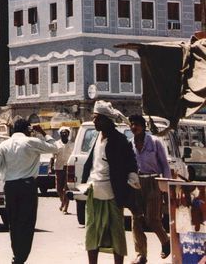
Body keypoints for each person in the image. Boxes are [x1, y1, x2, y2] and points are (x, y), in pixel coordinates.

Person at [0, 118, 58, 264]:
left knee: (13, 223)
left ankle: (17, 256)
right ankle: (20, 258)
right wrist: (43, 132)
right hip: (28, 187)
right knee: (27, 223)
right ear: (27, 129)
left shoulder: (4, 145)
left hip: (11, 187)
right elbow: (55, 148)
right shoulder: (31, 142)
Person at [82, 100, 140, 264]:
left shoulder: (120, 140)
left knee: (116, 232)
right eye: (94, 118)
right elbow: (91, 163)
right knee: (92, 231)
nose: (94, 121)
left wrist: (132, 178)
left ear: (107, 120)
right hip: (95, 190)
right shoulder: (96, 137)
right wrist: (84, 183)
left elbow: (131, 162)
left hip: (114, 193)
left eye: (97, 118)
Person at [128, 114, 172, 264]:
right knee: (137, 219)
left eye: (137, 124)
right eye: (132, 124)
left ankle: (166, 242)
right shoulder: (130, 144)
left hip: (154, 182)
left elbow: (165, 165)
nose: (134, 127)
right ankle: (141, 254)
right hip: (137, 183)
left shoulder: (155, 142)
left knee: (153, 219)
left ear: (143, 126)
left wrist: (166, 187)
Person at [52, 126, 75, 214]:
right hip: (59, 167)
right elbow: (52, 156)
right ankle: (63, 202)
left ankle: (65, 207)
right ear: (60, 134)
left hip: (69, 167)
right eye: (62, 133)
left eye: (66, 133)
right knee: (58, 188)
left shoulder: (72, 144)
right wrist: (50, 167)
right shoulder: (56, 144)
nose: (64, 134)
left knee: (66, 188)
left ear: (68, 134)